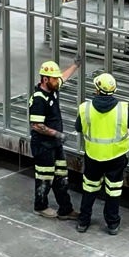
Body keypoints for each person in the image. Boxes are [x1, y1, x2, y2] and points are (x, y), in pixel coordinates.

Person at [76, 73, 129, 235]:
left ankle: (83, 222)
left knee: (89, 189)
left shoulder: (85, 108)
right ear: (113, 90)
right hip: (117, 157)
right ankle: (112, 224)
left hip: (93, 156)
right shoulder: (122, 109)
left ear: (97, 89)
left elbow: (78, 127)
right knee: (113, 191)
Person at [28, 61, 75, 220]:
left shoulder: (53, 89)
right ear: (45, 79)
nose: (58, 81)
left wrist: (76, 64)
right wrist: (57, 134)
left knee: (61, 176)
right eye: (54, 79)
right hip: (43, 146)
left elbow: (64, 77)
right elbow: (36, 125)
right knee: (45, 177)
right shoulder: (39, 99)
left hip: (55, 145)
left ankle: (66, 209)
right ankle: (40, 206)